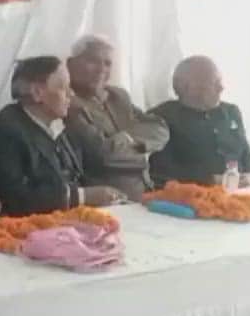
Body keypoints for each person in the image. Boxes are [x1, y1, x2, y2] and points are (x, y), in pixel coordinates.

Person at [0, 56, 125, 216]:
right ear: (37, 93)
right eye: (64, 87)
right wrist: (82, 196)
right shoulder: (1, 130)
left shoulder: (63, 123)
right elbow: (16, 197)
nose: (71, 94)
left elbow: (80, 173)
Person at [63, 34, 170, 201]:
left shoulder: (117, 96)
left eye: (107, 63)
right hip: (106, 201)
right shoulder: (67, 104)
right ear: (70, 64)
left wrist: (134, 145)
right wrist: (144, 151)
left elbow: (160, 130)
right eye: (93, 61)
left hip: (146, 194)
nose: (101, 69)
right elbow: (103, 156)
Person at [149, 55, 250, 187]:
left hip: (243, 193)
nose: (221, 88)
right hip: (193, 197)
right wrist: (211, 180)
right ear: (186, 87)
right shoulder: (161, 118)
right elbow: (159, 170)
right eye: (214, 83)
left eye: (220, 81)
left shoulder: (231, 112)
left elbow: (247, 155)